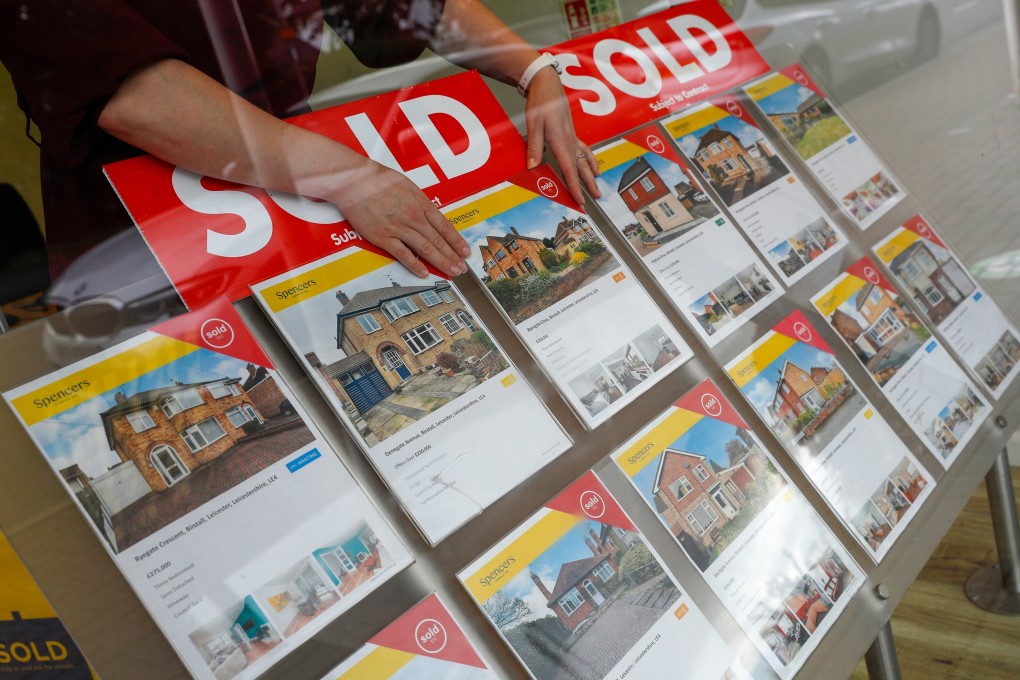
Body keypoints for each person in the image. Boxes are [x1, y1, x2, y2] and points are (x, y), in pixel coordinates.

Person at [0, 0, 601, 283]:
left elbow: (410, 8)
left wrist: (532, 70)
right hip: (149, 244)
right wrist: (348, 178)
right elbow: (135, 96)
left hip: (292, 199)